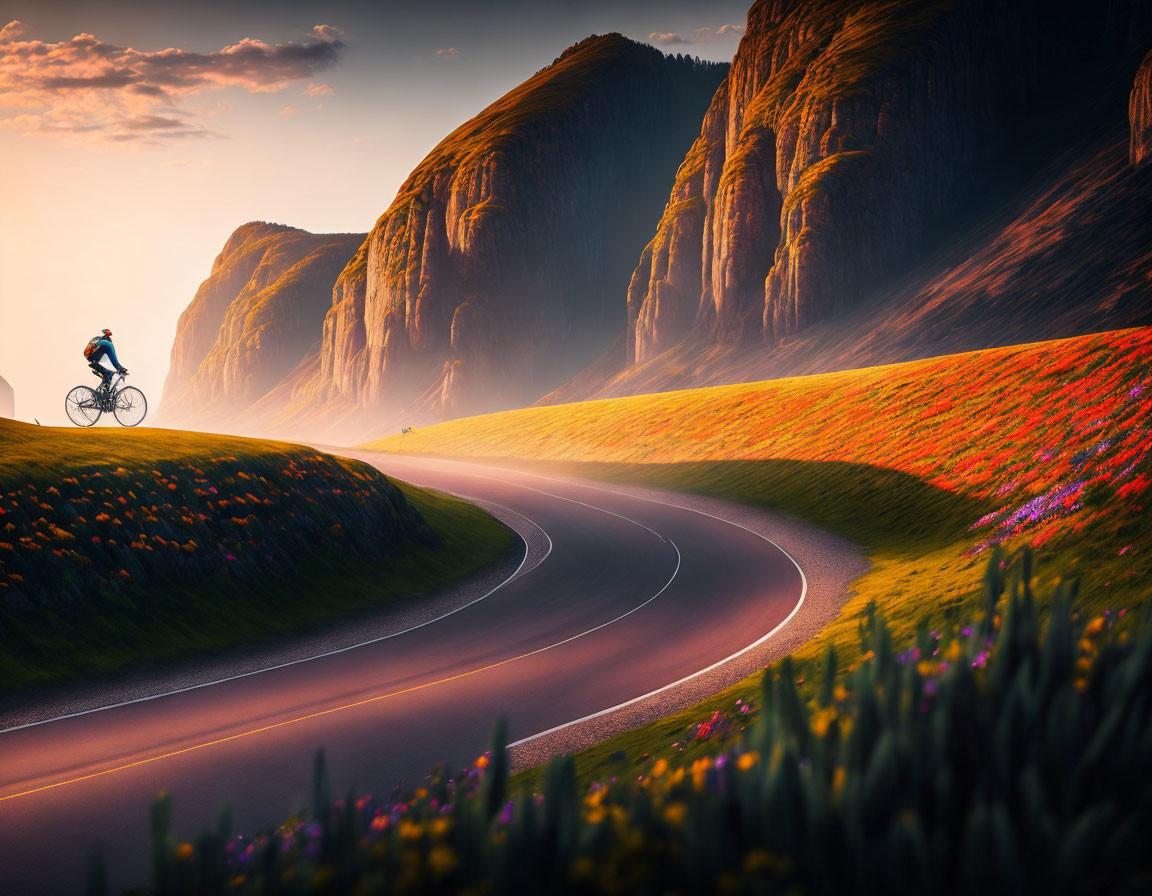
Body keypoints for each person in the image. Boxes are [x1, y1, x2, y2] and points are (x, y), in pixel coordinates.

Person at [86, 329, 128, 394]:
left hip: (92, 359)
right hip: (92, 358)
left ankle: (104, 395)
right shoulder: (106, 344)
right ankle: (103, 396)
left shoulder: (100, 341)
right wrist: (120, 369)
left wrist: (119, 368)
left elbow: (112, 357)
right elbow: (113, 358)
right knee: (108, 374)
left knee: (108, 374)